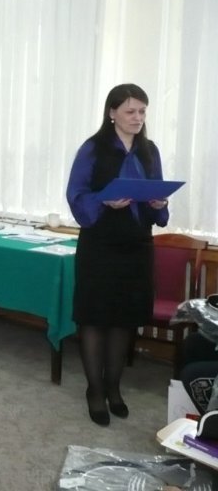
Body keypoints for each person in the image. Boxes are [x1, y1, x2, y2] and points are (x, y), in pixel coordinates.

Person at [66, 83, 169, 426]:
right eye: (130, 111)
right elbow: (76, 194)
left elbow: (156, 198)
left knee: (124, 318)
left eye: (142, 111)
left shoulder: (150, 151)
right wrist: (103, 201)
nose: (138, 118)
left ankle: (113, 387)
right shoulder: (92, 149)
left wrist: (159, 202)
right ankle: (94, 390)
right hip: (100, 245)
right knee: (95, 317)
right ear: (112, 113)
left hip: (136, 245)